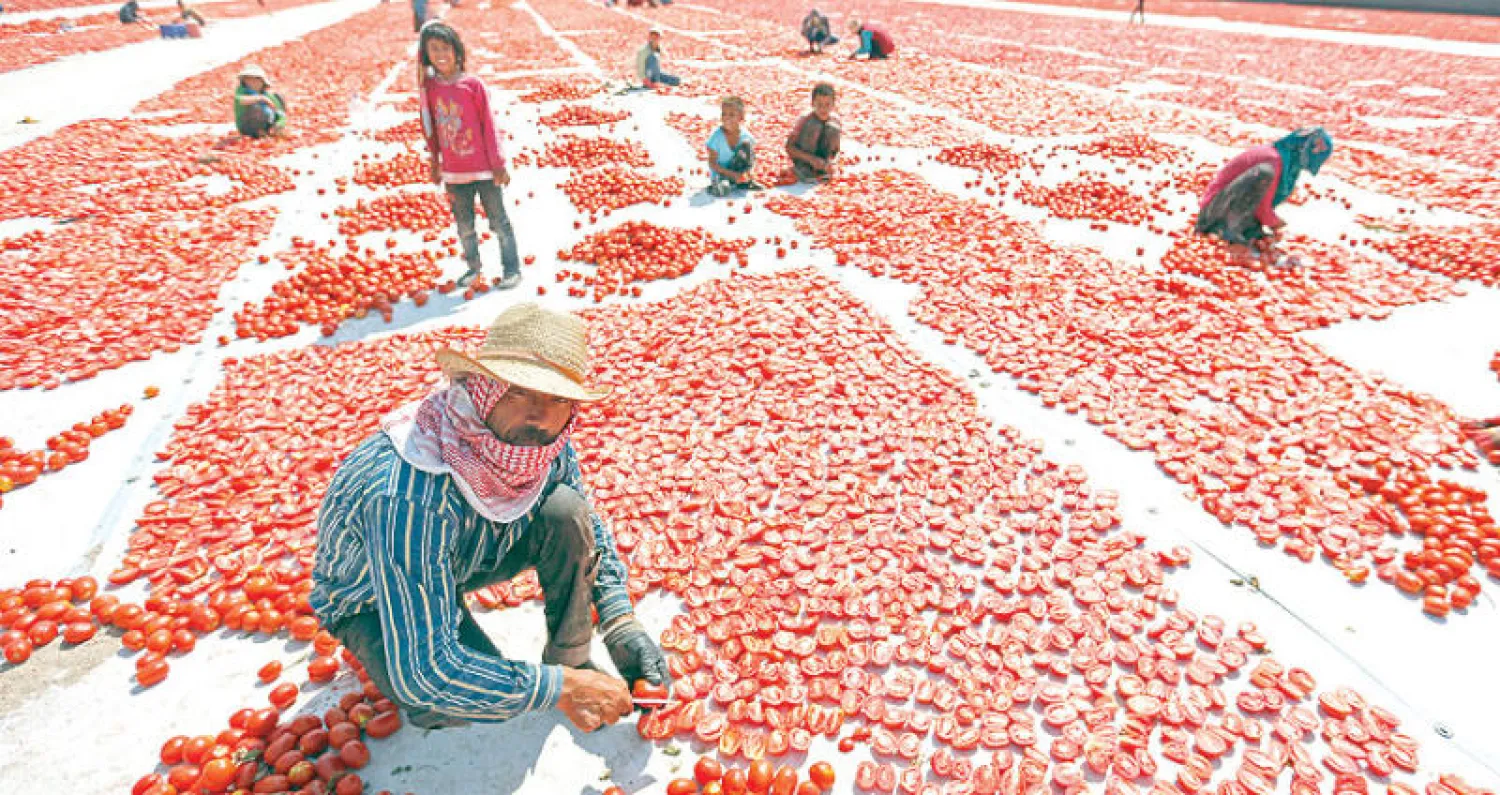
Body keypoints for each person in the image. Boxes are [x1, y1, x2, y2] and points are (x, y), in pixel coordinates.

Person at [310, 303, 670, 732]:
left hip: (454, 558)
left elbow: (587, 525)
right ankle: (550, 676)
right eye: (518, 392)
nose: (538, 415)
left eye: (557, 398)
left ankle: (571, 658)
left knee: (566, 510)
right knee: (454, 700)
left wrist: (620, 622)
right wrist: (557, 689)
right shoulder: (409, 490)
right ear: (482, 387)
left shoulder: (539, 443)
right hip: (372, 599)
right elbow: (425, 675)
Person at [418, 23, 522, 289]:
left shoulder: (472, 85)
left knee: (498, 221)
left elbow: (489, 125)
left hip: (484, 169)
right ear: (426, 55)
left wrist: (498, 163)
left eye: (445, 48)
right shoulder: (429, 89)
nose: (440, 54)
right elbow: (429, 127)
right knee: (464, 226)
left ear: (457, 51)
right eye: (433, 50)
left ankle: (511, 269)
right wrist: (434, 162)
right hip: (454, 172)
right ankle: (474, 269)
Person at [1195, 126, 1333, 261]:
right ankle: (1224, 230)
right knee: (1265, 173)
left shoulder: (1286, 163)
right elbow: (1262, 205)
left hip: (1229, 208)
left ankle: (1239, 229)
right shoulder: (1273, 159)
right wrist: (1274, 222)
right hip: (1213, 211)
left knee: (1260, 237)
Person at [706, 96, 762, 197]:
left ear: (741, 117)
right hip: (721, 174)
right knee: (724, 189)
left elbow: (750, 158)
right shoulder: (716, 137)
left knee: (746, 144)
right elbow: (712, 163)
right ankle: (715, 187)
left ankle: (743, 181)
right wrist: (731, 174)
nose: (726, 117)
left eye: (731, 114)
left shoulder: (746, 136)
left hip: (737, 172)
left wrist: (746, 173)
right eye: (724, 114)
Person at [786, 82, 841, 184]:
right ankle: (803, 167)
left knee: (833, 128)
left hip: (821, 159)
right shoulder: (805, 119)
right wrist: (811, 159)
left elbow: (837, 149)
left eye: (827, 104)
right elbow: (789, 147)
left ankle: (821, 168)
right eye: (819, 104)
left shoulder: (835, 120)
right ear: (812, 104)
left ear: (833, 105)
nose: (823, 109)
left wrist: (832, 162)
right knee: (814, 125)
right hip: (804, 156)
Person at [234, 66, 288, 139]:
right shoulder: (242, 91)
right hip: (247, 126)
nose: (253, 81)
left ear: (263, 82)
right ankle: (258, 132)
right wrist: (261, 98)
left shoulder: (268, 95)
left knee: (279, 102)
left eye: (257, 78)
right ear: (244, 81)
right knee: (256, 107)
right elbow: (240, 100)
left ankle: (271, 131)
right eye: (249, 78)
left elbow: (280, 112)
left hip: (267, 124)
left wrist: (279, 124)